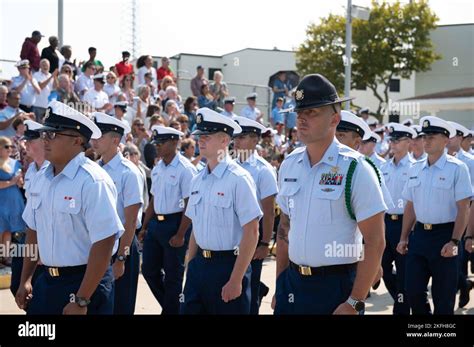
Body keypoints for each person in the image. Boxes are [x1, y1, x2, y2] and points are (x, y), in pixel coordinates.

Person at [273, 74, 387, 314]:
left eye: (312, 113)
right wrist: (280, 284)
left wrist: (355, 301)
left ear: (335, 118)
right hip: (292, 283)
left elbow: (375, 241)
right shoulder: (290, 164)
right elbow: (284, 229)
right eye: (300, 113)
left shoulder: (356, 168)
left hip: (336, 288)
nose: (302, 120)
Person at [16, 100, 124, 314]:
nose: (46, 140)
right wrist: (26, 278)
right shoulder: (42, 178)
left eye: (53, 135)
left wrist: (82, 300)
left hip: (84, 282)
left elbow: (104, 241)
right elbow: (33, 230)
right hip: (47, 281)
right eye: (45, 134)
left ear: (77, 140)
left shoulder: (93, 181)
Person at [180, 108, 262, 314]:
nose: (200, 140)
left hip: (228, 266)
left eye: (206, 136)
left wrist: (236, 280)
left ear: (225, 141)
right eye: (199, 136)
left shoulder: (239, 179)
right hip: (200, 267)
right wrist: (190, 268)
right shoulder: (197, 179)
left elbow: (252, 231)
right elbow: (195, 230)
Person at [397, 116, 472, 315]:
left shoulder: (457, 168)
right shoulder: (415, 169)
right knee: (412, 291)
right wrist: (404, 237)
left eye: (432, 136)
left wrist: (455, 241)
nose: (427, 140)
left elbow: (464, 208)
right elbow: (410, 206)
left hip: (445, 236)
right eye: (425, 137)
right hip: (420, 236)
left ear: (446, 140)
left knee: (444, 297)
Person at [140, 125, 197, 314]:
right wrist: (145, 226)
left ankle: (171, 310)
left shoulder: (185, 169)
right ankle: (173, 308)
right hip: (157, 223)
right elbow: (154, 199)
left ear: (174, 142)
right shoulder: (158, 168)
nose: (157, 146)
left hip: (176, 223)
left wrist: (181, 233)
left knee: (173, 275)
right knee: (149, 270)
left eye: (162, 142)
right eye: (156, 142)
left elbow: (189, 204)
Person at [92, 112, 144, 315]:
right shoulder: (95, 169)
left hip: (122, 244)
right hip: (99, 244)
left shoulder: (128, 172)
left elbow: (130, 221)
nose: (94, 140)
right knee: (100, 304)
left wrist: (121, 258)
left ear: (115, 140)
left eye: (100, 136)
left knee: (121, 305)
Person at [232, 116, 278, 314]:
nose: (236, 141)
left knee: (247, 295)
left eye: (241, 137)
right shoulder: (229, 165)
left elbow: (268, 212)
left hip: (252, 237)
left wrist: (264, 243)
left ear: (254, 140)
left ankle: (257, 293)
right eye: (235, 137)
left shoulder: (263, 170)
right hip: (231, 236)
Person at [379, 123, 417, 315]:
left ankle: (401, 308)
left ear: (408, 142)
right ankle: (403, 297)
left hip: (405, 223)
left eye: (397, 140)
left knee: (403, 270)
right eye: (391, 140)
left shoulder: (414, 167)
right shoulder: (383, 167)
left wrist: (410, 230)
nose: (392, 143)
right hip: (385, 223)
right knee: (383, 266)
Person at [10, 120, 48, 297]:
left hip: (43, 238)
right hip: (28, 236)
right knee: (16, 285)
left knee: (37, 290)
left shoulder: (53, 170)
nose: (26, 146)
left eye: (31, 141)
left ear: (43, 141)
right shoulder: (32, 169)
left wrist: (42, 250)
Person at [446, 121, 474, 308]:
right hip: (443, 221)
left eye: (453, 135)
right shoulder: (434, 160)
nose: (449, 139)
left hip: (464, 219)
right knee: (451, 266)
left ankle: (462, 286)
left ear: (461, 138)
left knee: (459, 262)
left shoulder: (470, 163)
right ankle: (464, 284)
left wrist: (470, 233)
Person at [0, 136, 25, 269]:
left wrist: (20, 181)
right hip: (2, 200)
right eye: (6, 146)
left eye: (11, 146)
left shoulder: (15, 163)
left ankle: (6, 257)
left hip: (14, 200)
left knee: (9, 230)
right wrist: (12, 182)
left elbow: (20, 184)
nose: (10, 149)